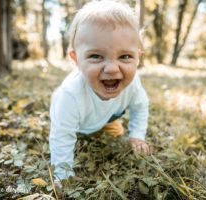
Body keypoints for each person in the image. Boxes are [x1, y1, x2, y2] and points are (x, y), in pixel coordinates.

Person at [49, 0, 151, 185]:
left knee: (113, 133)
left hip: (103, 120)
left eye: (125, 56)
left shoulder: (133, 83)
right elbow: (61, 136)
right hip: (76, 123)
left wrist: (137, 135)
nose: (112, 69)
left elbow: (140, 106)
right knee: (66, 129)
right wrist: (63, 176)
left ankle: (104, 126)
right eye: (96, 56)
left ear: (138, 58)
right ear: (76, 59)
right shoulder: (70, 96)